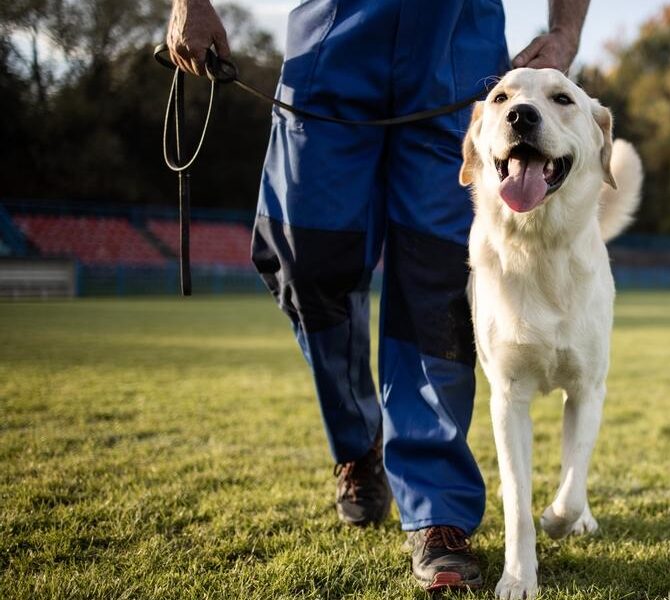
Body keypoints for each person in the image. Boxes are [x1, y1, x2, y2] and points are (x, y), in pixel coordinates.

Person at [166, 0, 589, 591]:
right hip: (333, 47)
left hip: (455, 58)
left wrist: (566, 28)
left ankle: (437, 512)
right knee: (303, 261)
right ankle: (358, 442)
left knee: (438, 287)